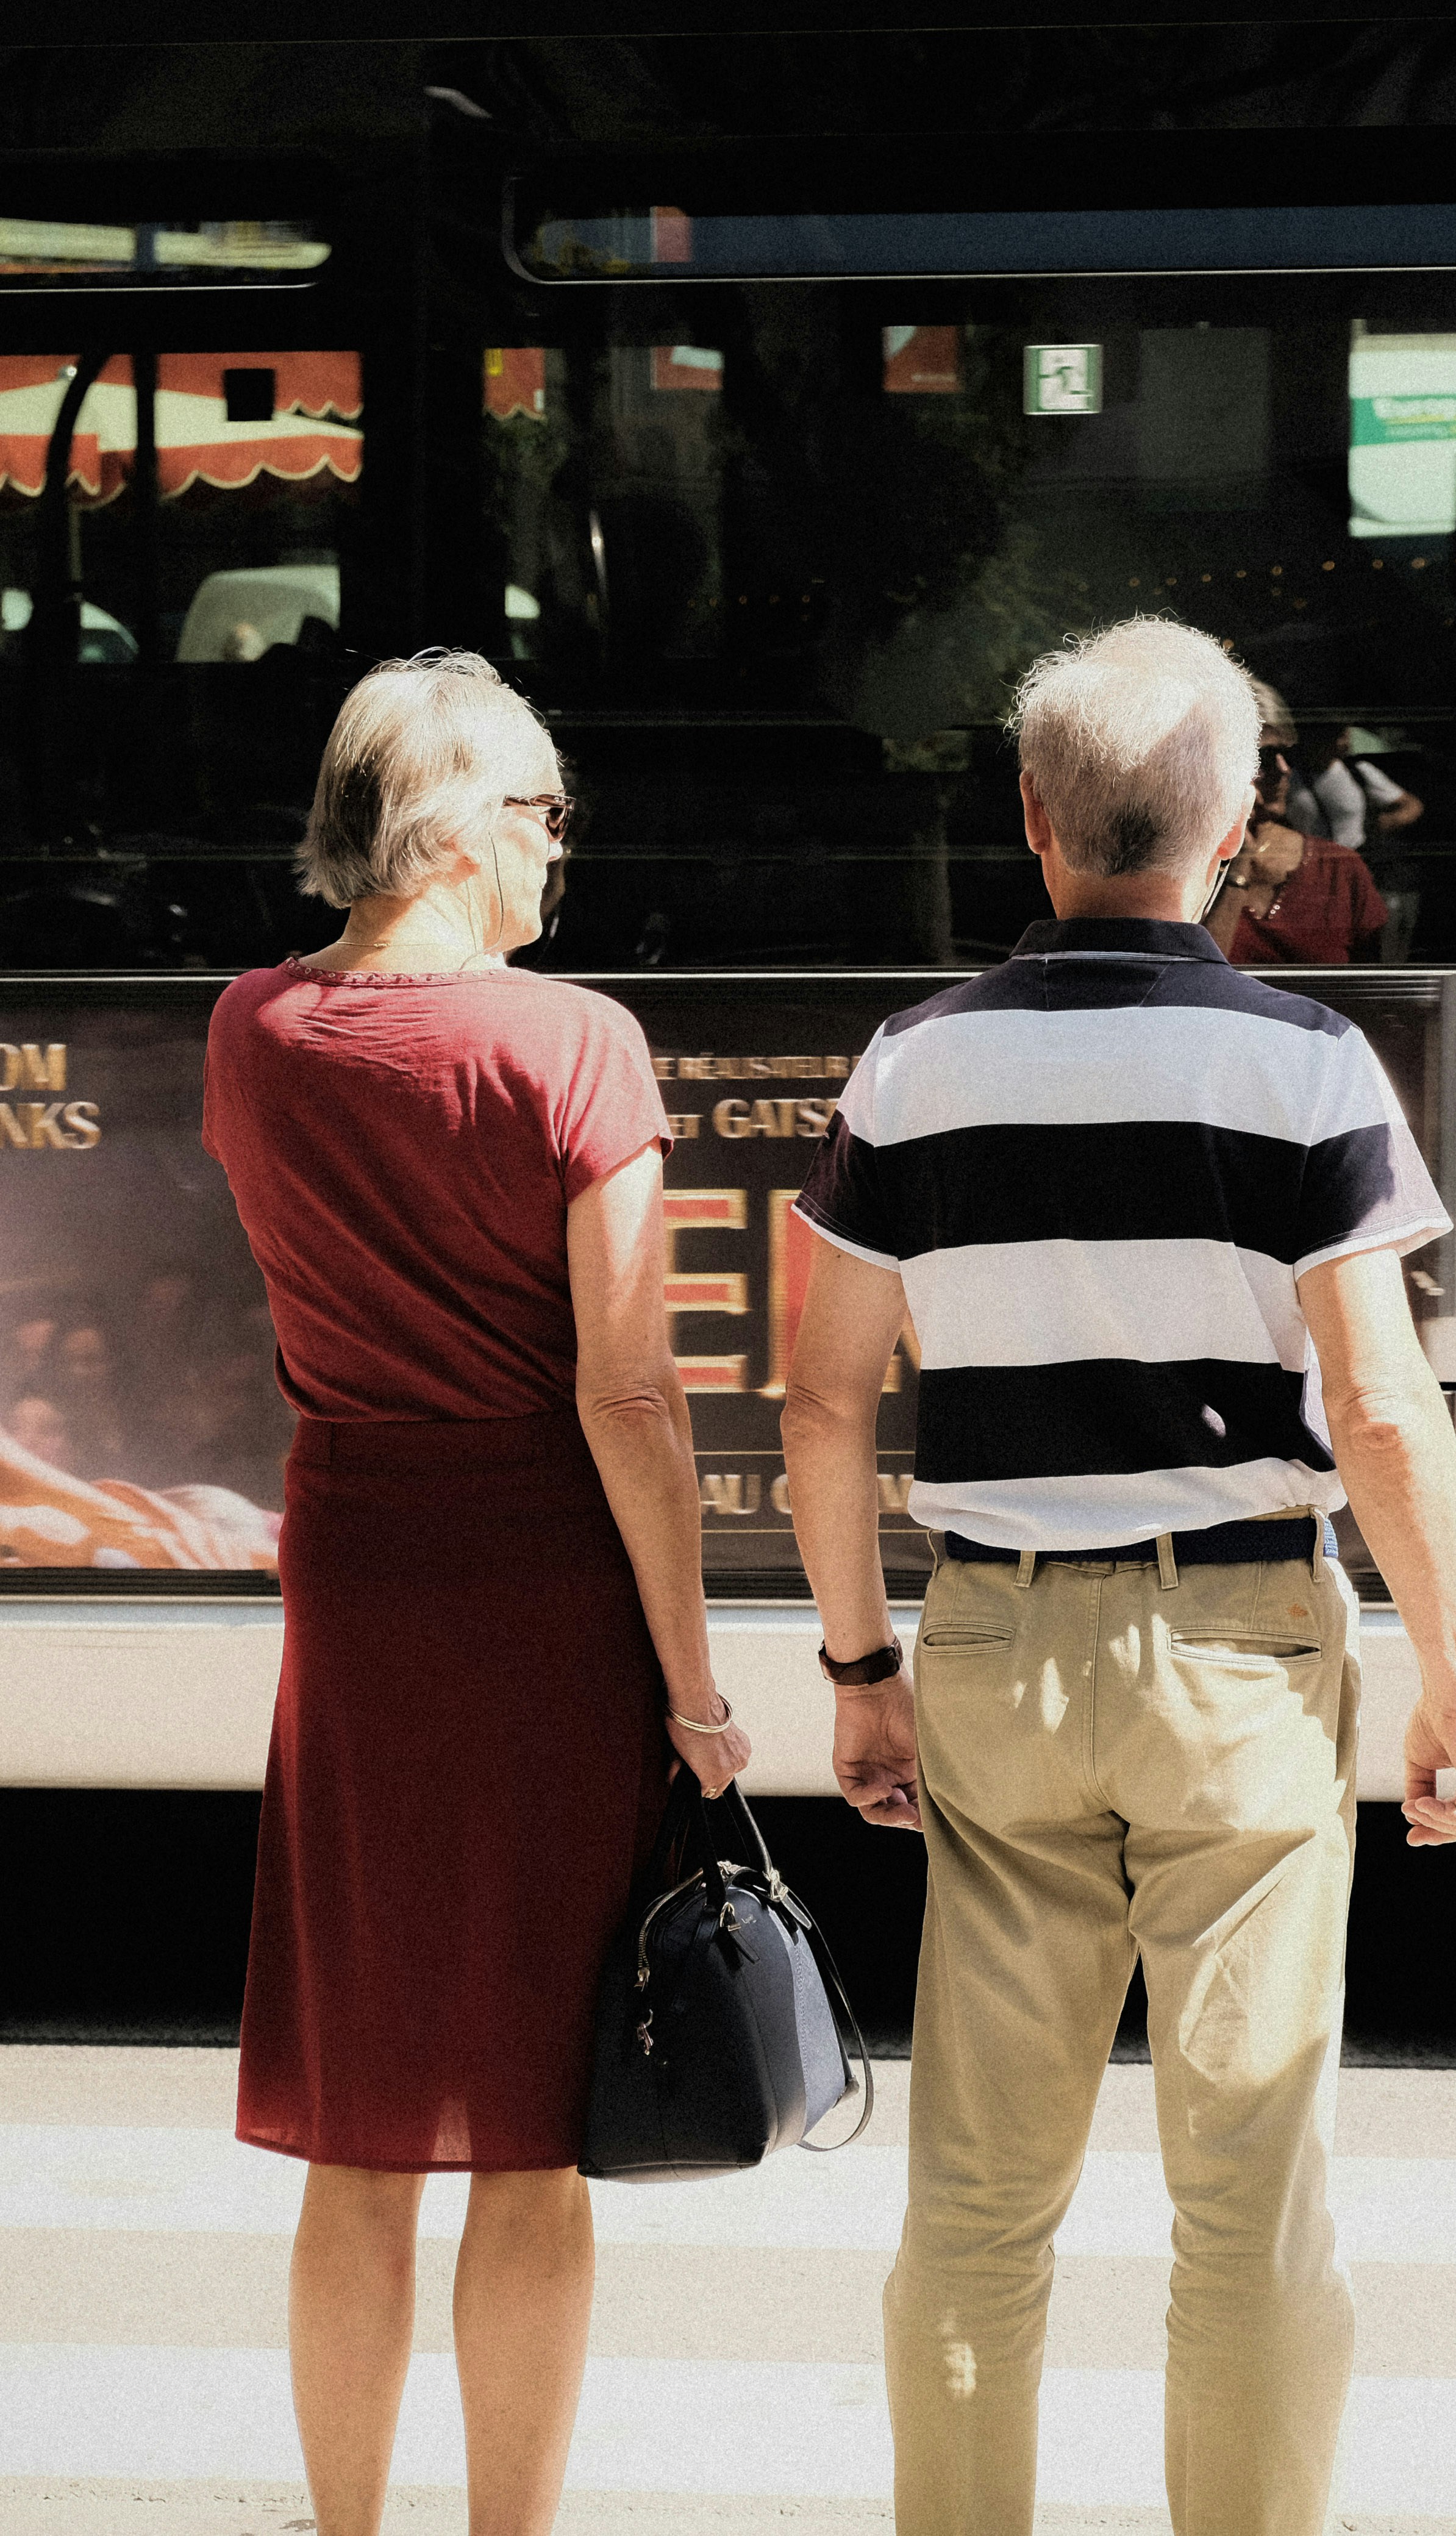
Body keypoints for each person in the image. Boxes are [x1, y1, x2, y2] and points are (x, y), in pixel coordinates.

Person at [781, 616, 1456, 2536]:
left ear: (1030, 814)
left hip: (996, 1645)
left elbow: (824, 1399)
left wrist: (859, 1667)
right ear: (1239, 825)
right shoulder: (1307, 1062)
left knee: (975, 2201)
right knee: (1250, 2201)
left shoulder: (914, 1064)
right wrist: (1454, 1676)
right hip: (1238, 1653)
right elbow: (1378, 1402)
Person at [202, 650, 748, 2536]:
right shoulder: (571, 1043)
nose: (554, 845)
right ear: (446, 830)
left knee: (358, 2120)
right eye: (536, 809)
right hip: (542, 1594)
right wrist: (694, 1685)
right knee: (531, 2129)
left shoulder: (250, 1029)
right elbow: (628, 1391)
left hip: (357, 1573)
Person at [1206, 677, 1388, 964]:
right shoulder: (1187, 867)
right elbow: (1197, 976)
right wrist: (1239, 861)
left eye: (1288, 755)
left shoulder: (1339, 870)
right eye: (1263, 756)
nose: (1283, 769)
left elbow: (1372, 983)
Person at [1292, 723, 1424, 857]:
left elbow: (1411, 805)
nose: (1345, 742)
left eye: (1346, 735)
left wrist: (1387, 822)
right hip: (1311, 862)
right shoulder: (1290, 779)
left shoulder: (1358, 771)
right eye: (1338, 736)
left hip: (1356, 859)